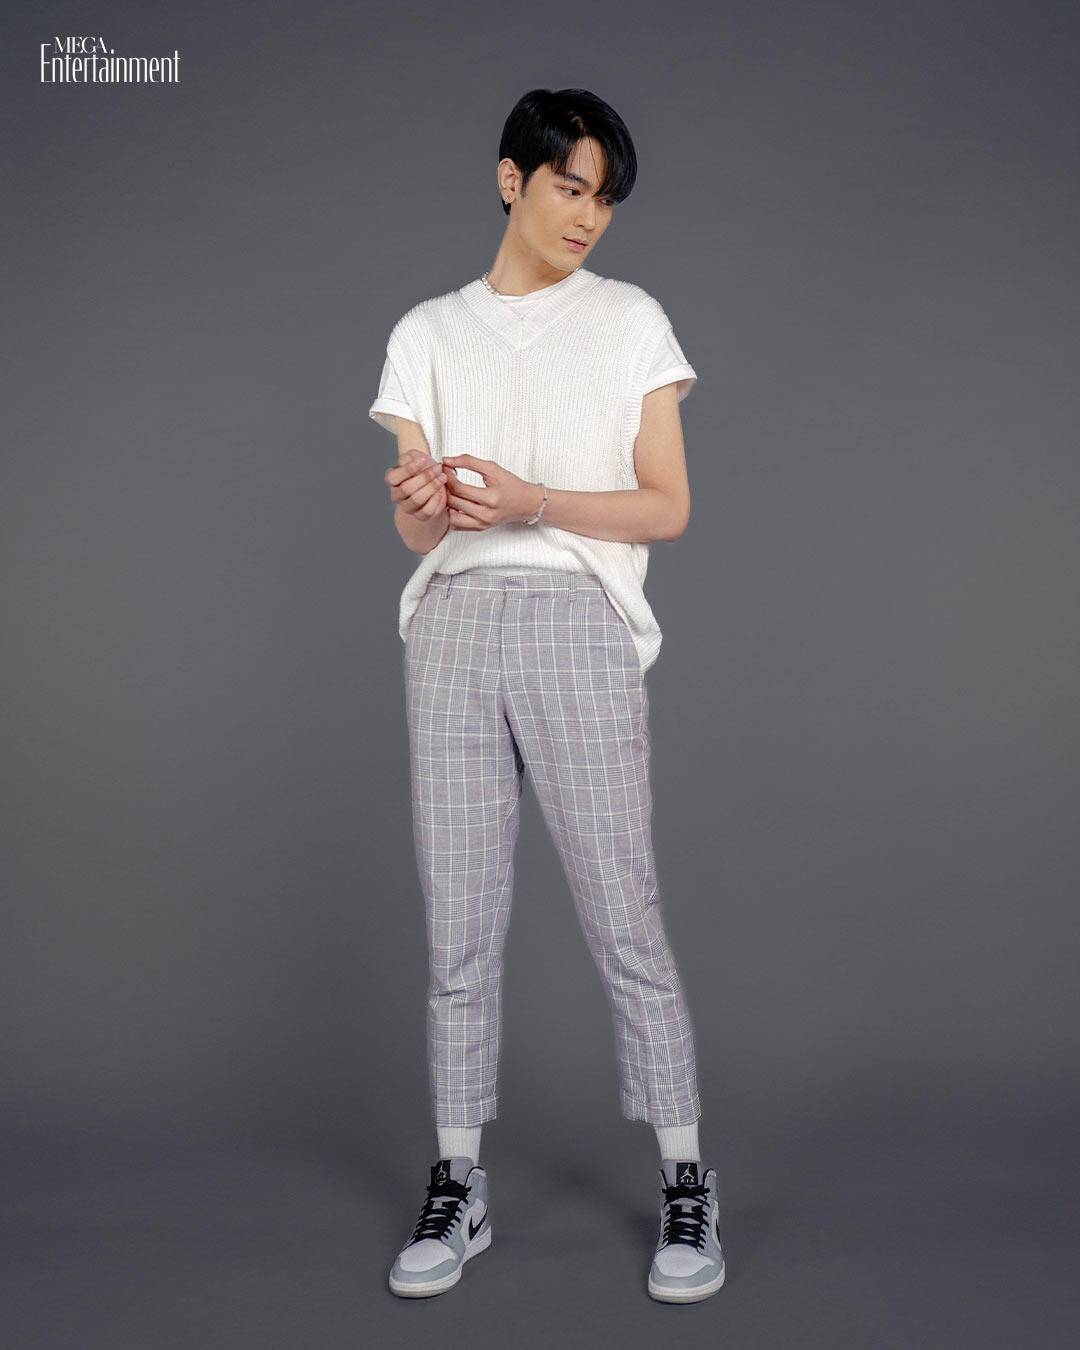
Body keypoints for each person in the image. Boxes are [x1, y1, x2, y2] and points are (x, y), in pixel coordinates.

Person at [369, 87, 725, 1304]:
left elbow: (667, 507)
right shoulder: (427, 332)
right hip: (453, 628)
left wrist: (534, 503)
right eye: (570, 186)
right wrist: (425, 504)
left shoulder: (629, 321)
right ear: (511, 179)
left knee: (624, 912)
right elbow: (418, 533)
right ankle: (457, 1181)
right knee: (457, 925)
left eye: (604, 198)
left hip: (578, 621)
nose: (588, 216)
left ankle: (687, 1179)